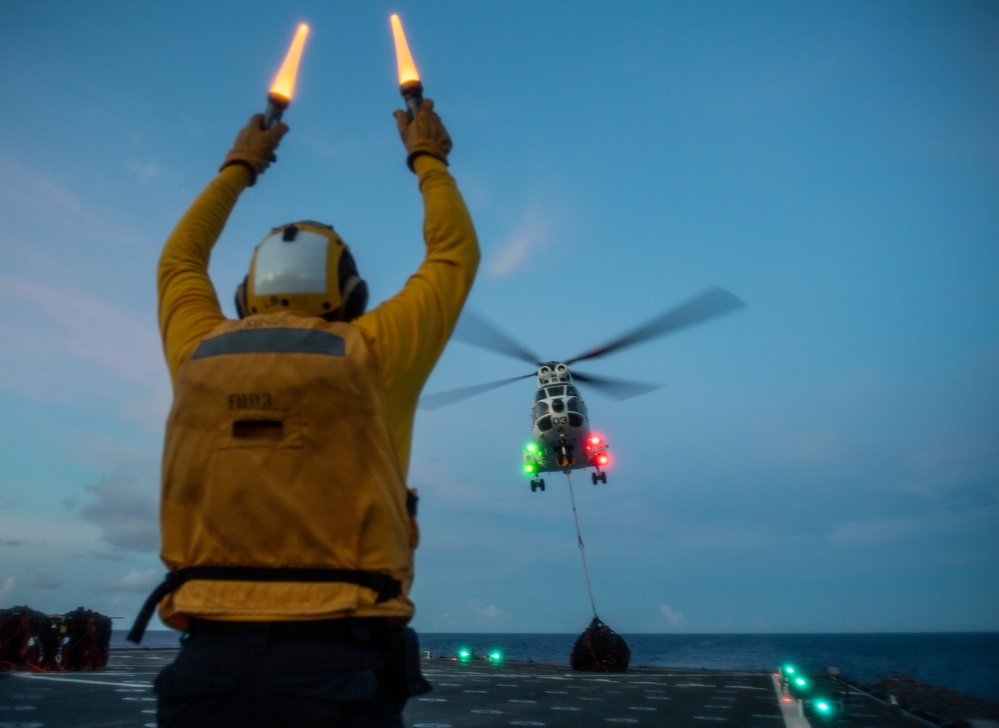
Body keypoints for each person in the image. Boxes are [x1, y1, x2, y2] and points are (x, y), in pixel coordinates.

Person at [129, 99, 479, 727]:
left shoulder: (197, 349)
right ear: (351, 298)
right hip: (338, 664)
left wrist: (241, 163)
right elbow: (453, 256)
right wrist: (429, 158)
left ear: (244, 296)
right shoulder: (371, 350)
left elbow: (178, 261)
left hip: (204, 669)